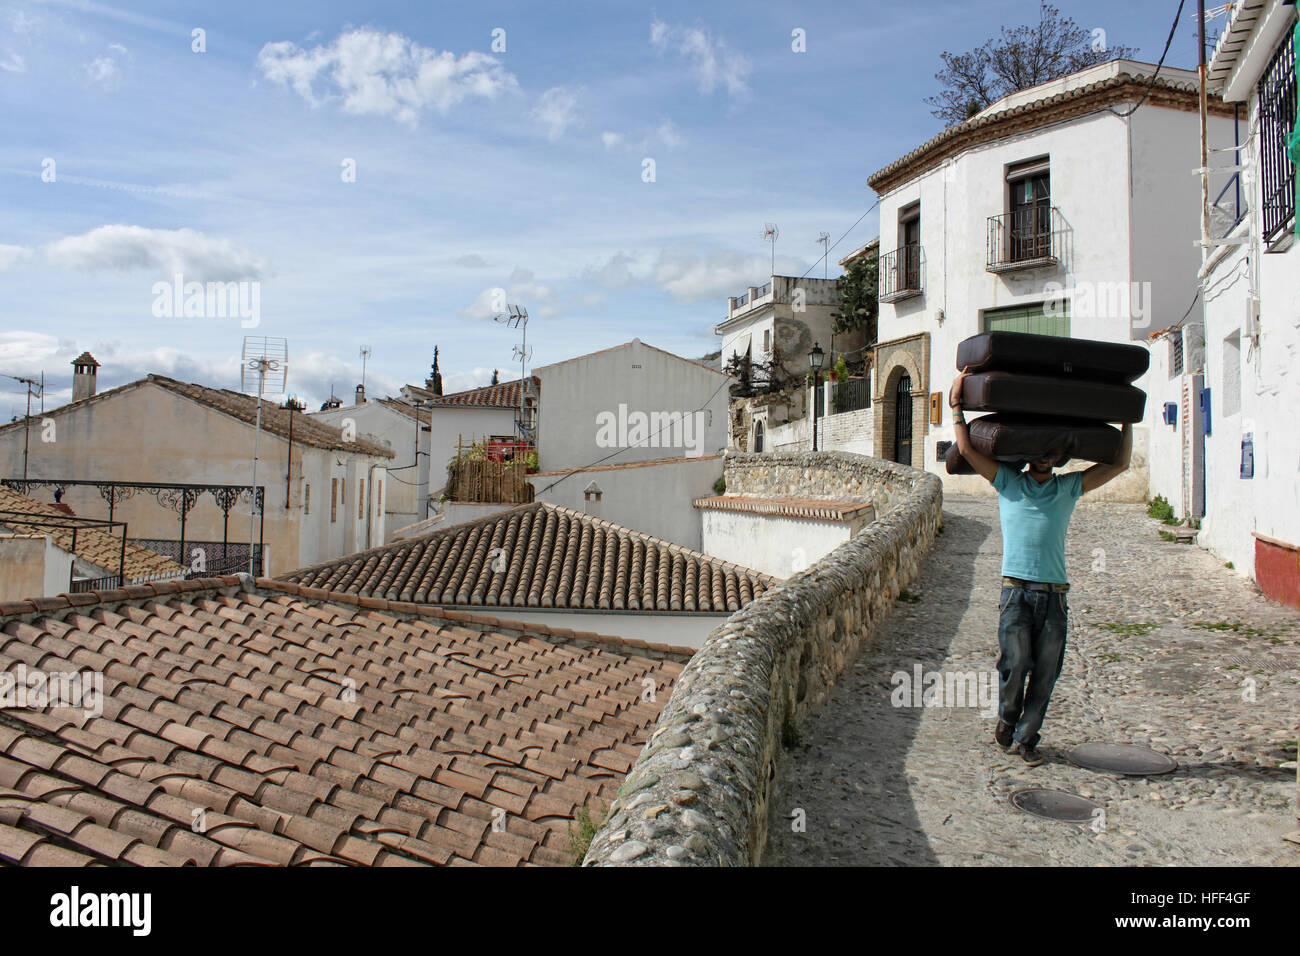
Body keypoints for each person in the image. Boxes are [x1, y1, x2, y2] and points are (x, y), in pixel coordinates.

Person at [949, 367, 1132, 766]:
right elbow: (965, 450)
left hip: (1054, 597)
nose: (1047, 457)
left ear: (1060, 456)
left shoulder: (1069, 488)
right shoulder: (1009, 482)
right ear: (1029, 454)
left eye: (1053, 452)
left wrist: (1126, 421)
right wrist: (956, 404)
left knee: (1046, 675)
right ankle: (1007, 717)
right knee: (1015, 666)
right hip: (1015, 593)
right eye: (1040, 451)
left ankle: (1027, 740)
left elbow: (1118, 465)